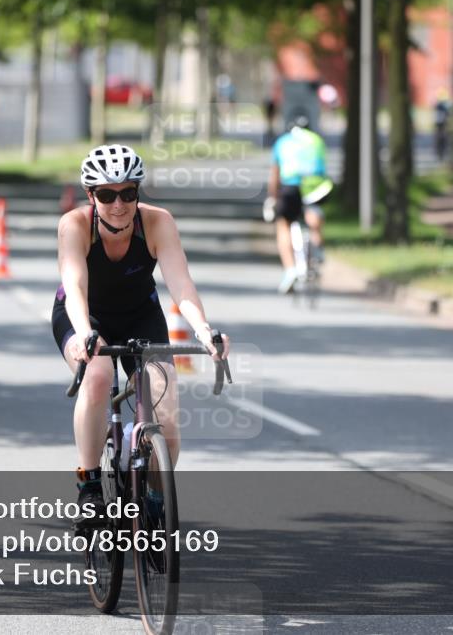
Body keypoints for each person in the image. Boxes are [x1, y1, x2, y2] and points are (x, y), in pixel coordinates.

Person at [53, 144, 230, 526]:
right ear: (90, 196)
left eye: (128, 193)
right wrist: (86, 334)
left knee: (167, 417)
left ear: (138, 192)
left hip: (139, 316)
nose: (118, 204)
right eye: (106, 194)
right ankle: (90, 485)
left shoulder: (157, 222)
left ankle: (151, 502)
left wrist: (204, 330)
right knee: (99, 377)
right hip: (84, 316)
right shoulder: (75, 225)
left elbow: (180, 284)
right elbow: (75, 285)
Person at [266, 114, 332, 293]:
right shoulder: (317, 140)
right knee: (313, 210)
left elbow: (275, 174)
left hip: (290, 186)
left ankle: (290, 269)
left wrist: (272, 196)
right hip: (316, 186)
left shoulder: (283, 141)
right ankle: (317, 247)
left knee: (284, 224)